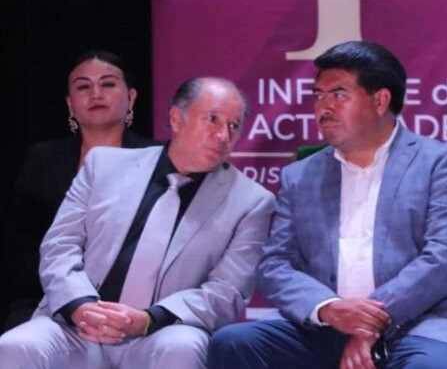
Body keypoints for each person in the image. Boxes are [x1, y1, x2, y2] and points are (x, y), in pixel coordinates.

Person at [208, 41, 447, 369]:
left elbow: (446, 258)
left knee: (432, 366)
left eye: (338, 94)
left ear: (380, 100)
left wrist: (368, 322)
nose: (324, 107)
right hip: (327, 326)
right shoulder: (301, 175)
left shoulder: (439, 162)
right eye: (318, 96)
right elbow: (275, 265)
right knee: (233, 344)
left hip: (418, 324)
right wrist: (329, 308)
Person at [0, 76, 275, 368]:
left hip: (161, 332)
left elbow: (228, 291)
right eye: (213, 119)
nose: (223, 135)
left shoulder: (252, 201)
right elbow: (59, 245)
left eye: (233, 126)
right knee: (14, 346)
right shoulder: (103, 165)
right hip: (77, 325)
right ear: (176, 118)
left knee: (183, 347)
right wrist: (80, 306)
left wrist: (147, 320)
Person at [3, 50, 156, 331]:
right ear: (70, 104)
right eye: (83, 87)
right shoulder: (43, 159)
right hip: (50, 296)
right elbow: (21, 242)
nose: (96, 93)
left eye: (108, 84)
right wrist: (68, 294)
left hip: (135, 302)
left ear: (131, 97)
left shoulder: (156, 157)